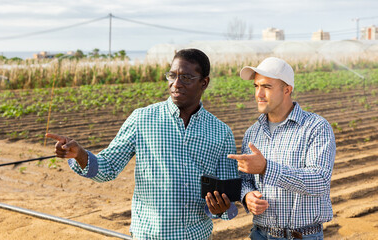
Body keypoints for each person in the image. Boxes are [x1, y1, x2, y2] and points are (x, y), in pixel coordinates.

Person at [46, 48, 238, 240]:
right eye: (172, 75)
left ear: (204, 82)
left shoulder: (221, 133)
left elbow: (227, 197)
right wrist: (80, 154)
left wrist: (220, 208)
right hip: (148, 235)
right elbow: (109, 166)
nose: (176, 84)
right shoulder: (142, 119)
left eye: (186, 77)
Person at [228, 57, 336, 240]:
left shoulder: (315, 127)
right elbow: (245, 180)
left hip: (302, 236)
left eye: (266, 87)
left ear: (287, 90)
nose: (258, 94)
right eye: (256, 86)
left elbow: (319, 181)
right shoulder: (253, 133)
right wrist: (247, 196)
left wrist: (265, 168)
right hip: (260, 234)